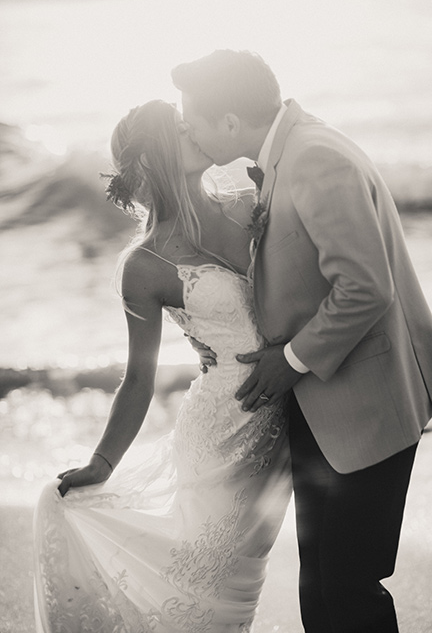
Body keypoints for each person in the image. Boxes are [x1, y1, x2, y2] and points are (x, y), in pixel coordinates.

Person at [171, 49, 432, 633]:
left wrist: (290, 360)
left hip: (366, 403)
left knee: (349, 589)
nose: (190, 132)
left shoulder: (314, 160)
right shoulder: (289, 155)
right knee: (322, 589)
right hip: (325, 405)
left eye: (194, 121)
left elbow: (365, 288)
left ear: (230, 122)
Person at [33, 99, 292, 633]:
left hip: (283, 421)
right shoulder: (145, 265)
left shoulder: (251, 200)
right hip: (219, 431)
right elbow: (139, 377)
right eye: (180, 129)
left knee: (244, 580)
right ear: (156, 158)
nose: (194, 130)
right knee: (215, 597)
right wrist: (102, 464)